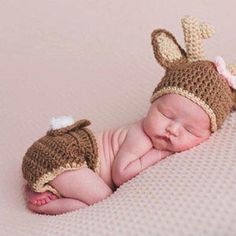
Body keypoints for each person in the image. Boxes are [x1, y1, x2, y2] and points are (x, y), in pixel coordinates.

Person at [22, 16, 236, 215]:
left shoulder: (161, 134)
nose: (173, 129)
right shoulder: (140, 135)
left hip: (69, 167)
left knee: (84, 199)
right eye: (167, 115)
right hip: (60, 156)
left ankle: (44, 190)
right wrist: (161, 155)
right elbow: (121, 174)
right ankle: (43, 203)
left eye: (190, 130)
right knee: (102, 197)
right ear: (152, 104)